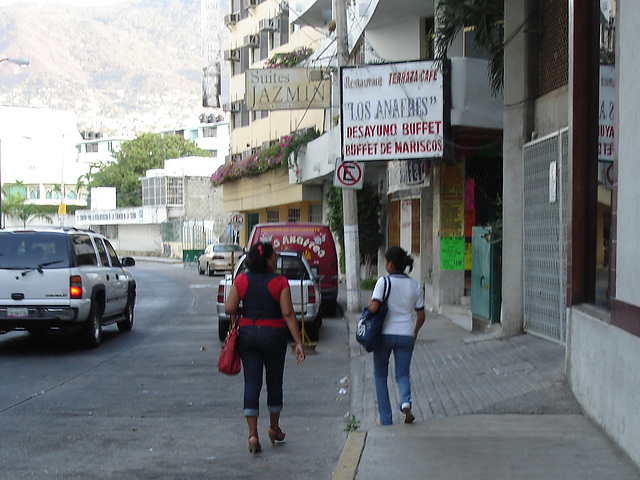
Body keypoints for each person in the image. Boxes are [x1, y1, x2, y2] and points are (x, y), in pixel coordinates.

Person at [225, 242, 306, 453]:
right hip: (274, 336)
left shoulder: (242, 279)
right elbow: (288, 313)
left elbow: (230, 307)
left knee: (252, 383)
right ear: (268, 259)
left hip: (248, 335)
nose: (277, 257)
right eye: (275, 255)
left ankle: (252, 435)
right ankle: (273, 427)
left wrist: (246, 309)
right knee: (274, 382)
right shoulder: (280, 282)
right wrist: (298, 342)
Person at [367, 246, 425, 426]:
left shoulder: (383, 282)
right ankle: (405, 402)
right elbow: (421, 315)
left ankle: (385, 419)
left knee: (380, 375)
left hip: (384, 335)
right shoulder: (415, 285)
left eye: (385, 261)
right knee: (402, 373)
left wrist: (369, 304)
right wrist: (414, 332)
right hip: (406, 334)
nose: (385, 264)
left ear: (391, 264)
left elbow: (374, 308)